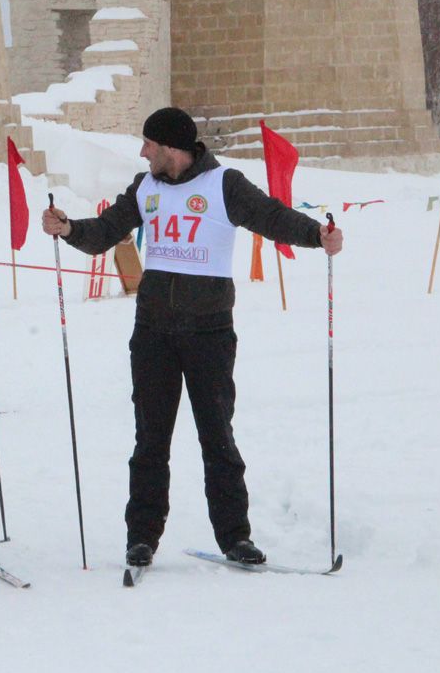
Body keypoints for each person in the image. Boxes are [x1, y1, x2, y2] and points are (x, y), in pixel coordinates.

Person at [41, 107, 344, 568]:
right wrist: (68, 229)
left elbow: (271, 217)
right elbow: (104, 232)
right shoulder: (146, 188)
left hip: (209, 333)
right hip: (153, 333)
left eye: (148, 144)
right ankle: (141, 537)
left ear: (171, 148)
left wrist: (317, 236)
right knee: (150, 440)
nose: (142, 153)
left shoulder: (223, 185)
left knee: (217, 438)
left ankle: (234, 537)